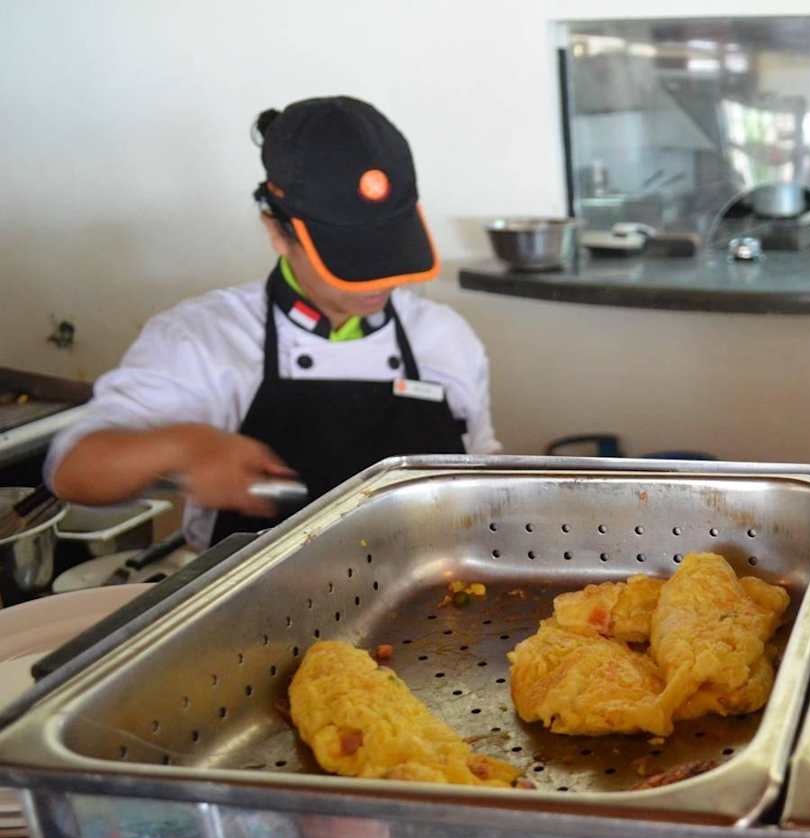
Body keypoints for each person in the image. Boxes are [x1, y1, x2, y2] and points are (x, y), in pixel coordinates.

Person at [48, 96, 500, 548]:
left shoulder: (444, 336)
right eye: (352, 258)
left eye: (390, 248)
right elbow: (73, 470)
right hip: (254, 593)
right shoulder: (202, 338)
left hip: (430, 586)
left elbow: (485, 479)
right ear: (277, 231)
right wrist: (186, 445)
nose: (380, 278)